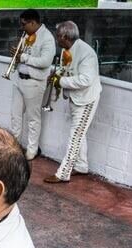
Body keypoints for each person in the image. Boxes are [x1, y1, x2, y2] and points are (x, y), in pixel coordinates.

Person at [44, 21, 102, 184]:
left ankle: (63, 173)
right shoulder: (66, 50)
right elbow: (64, 68)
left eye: (58, 36)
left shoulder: (87, 54)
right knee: (79, 133)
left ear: (65, 36)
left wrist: (60, 81)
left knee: (75, 136)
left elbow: (85, 80)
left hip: (86, 99)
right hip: (75, 97)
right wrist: (55, 75)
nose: (56, 39)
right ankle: (82, 166)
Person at [9, 9, 55, 161]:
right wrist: (17, 56)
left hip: (34, 82)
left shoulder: (47, 38)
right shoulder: (26, 35)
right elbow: (22, 57)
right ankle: (14, 147)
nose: (22, 28)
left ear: (33, 22)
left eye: (24, 24)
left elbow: (45, 62)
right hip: (19, 79)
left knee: (33, 118)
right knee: (15, 115)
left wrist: (23, 57)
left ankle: (31, 150)